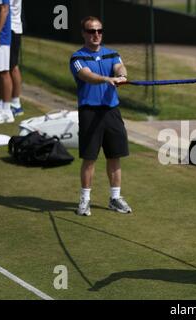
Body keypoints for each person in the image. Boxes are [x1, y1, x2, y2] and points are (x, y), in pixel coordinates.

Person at [69, 16, 132, 216]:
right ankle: (85, 201)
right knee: (89, 158)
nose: (96, 35)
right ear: (83, 34)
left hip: (111, 112)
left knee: (114, 156)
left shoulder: (112, 54)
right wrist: (107, 79)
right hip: (90, 112)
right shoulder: (77, 58)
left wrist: (121, 75)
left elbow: (120, 67)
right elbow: (87, 75)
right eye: (91, 31)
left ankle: (115, 198)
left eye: (99, 31)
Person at [0, 0, 13, 124]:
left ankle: (7, 110)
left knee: (3, 73)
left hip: (1, 38)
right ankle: (0, 107)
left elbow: (4, 10)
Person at [9, 0, 23, 116]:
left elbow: (4, 8)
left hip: (12, 29)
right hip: (7, 29)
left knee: (12, 66)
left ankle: (16, 104)